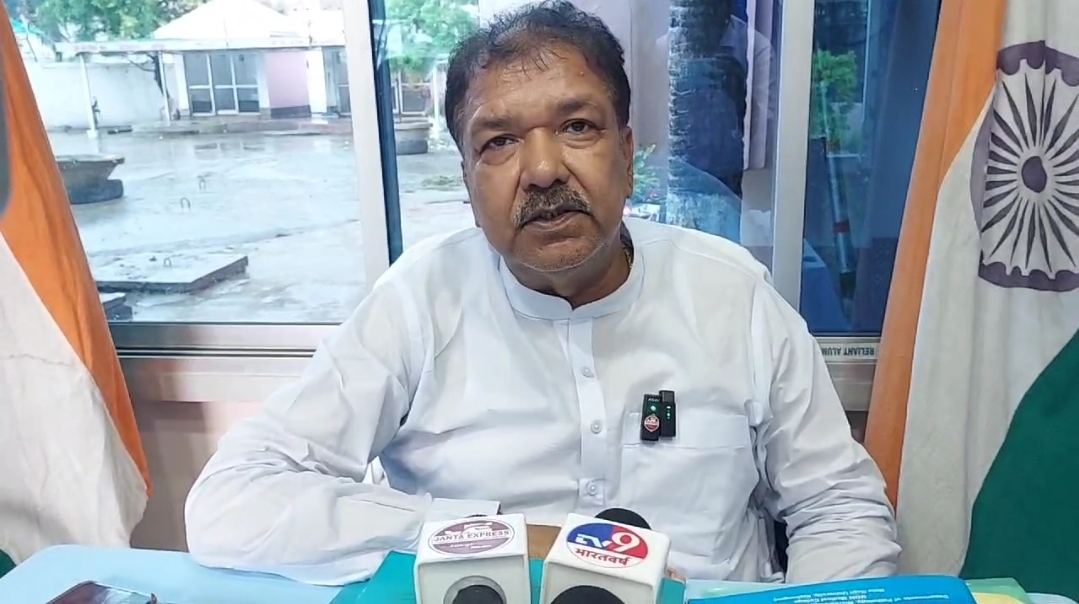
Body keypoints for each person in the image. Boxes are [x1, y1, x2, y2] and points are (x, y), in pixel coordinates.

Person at [184, 0, 899, 586]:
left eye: (577, 127)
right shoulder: (418, 301)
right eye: (498, 142)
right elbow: (231, 501)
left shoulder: (730, 294)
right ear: (467, 182)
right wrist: (490, 537)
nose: (544, 170)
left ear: (627, 152)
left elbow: (838, 507)